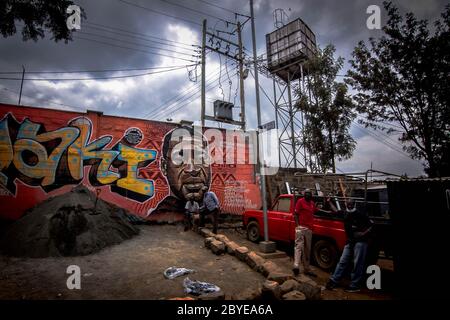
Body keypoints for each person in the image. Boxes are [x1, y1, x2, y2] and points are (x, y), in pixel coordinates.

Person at [326, 199, 373, 293]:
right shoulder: (345, 213)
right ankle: (334, 280)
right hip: (350, 241)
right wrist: (329, 202)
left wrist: (363, 233)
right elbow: (335, 211)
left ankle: (354, 285)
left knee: (357, 263)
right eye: (348, 204)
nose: (350, 205)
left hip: (361, 242)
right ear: (345, 204)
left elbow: (371, 224)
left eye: (351, 204)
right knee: (342, 261)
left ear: (354, 204)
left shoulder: (360, 214)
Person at [293, 189, 318, 277]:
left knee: (307, 249)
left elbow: (316, 211)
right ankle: (296, 265)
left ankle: (306, 268)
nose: (307, 195)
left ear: (311, 195)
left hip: (309, 229)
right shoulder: (300, 201)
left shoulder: (312, 203)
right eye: (306, 193)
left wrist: (330, 211)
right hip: (301, 227)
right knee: (298, 246)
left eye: (309, 194)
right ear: (304, 194)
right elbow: (295, 214)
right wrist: (297, 227)